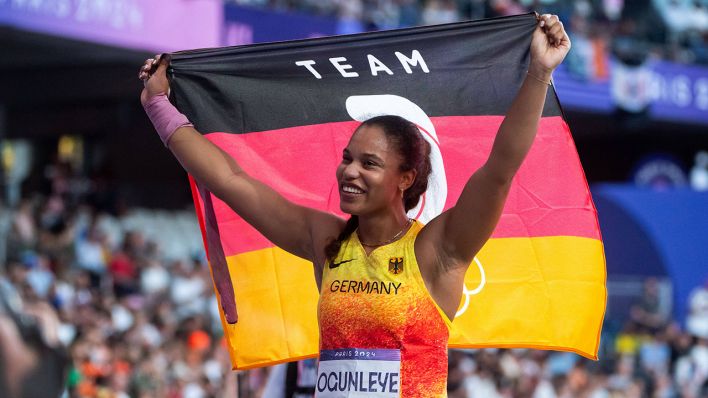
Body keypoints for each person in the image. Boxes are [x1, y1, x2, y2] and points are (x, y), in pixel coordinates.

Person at [139, 13, 570, 397]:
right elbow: (229, 181)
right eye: (347, 158)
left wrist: (538, 73)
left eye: (369, 164)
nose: (349, 171)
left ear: (405, 178)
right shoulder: (326, 241)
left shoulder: (438, 250)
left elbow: (499, 169)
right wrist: (158, 105)